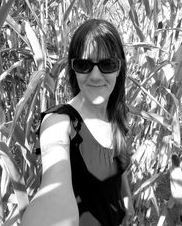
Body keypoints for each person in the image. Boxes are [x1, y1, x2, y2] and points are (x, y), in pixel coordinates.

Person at [21, 18, 134, 226]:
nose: (96, 75)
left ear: (119, 68)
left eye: (107, 64)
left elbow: (118, 167)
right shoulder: (60, 122)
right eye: (84, 65)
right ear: (74, 68)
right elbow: (54, 189)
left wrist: (127, 203)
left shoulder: (115, 114)